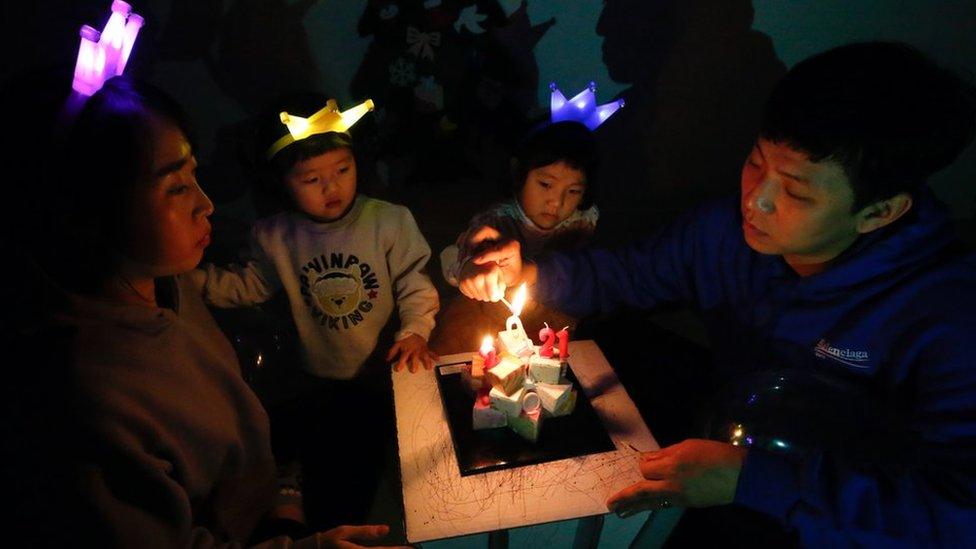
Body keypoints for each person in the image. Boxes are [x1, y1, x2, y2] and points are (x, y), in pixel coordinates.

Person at [458, 42, 976, 545]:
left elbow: (956, 512)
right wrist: (527, 272)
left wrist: (755, 482)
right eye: (756, 162)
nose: (756, 200)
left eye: (795, 191)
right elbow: (629, 274)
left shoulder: (947, 316)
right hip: (724, 447)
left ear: (880, 212)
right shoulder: (721, 232)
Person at [11, 76, 407, 548]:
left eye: (195, 175)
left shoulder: (168, 283)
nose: (207, 204)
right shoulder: (89, 400)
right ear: (88, 210)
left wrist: (281, 497)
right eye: (176, 187)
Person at [195, 95, 439, 528]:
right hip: (318, 375)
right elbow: (251, 283)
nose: (332, 187)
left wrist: (415, 330)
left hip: (385, 371)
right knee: (333, 471)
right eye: (312, 179)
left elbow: (414, 282)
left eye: (342, 170)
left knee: (391, 459)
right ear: (283, 183)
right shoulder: (276, 236)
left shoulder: (388, 221)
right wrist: (193, 281)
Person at [431, 120, 600, 354]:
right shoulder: (496, 222)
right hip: (488, 312)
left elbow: (587, 270)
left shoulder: (584, 221)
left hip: (552, 312)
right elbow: (452, 255)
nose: (556, 201)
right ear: (519, 172)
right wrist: (467, 268)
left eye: (573, 191)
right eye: (545, 184)